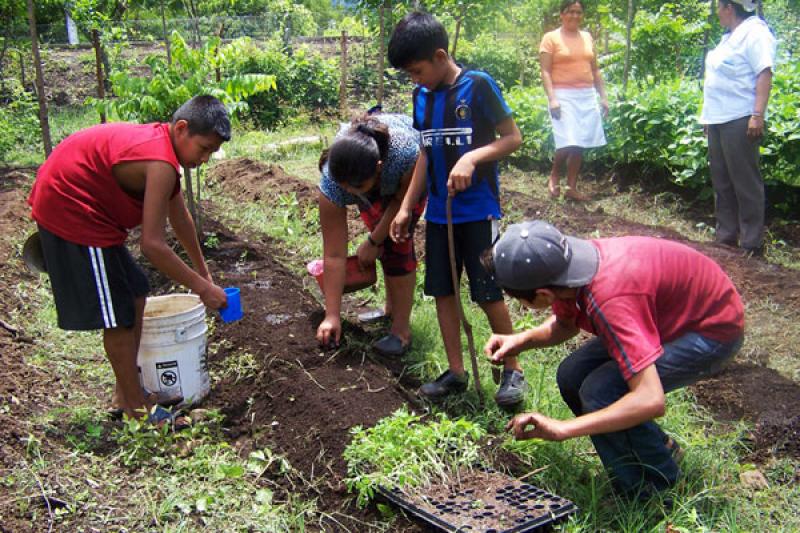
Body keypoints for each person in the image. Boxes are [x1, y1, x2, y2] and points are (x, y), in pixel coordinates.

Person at [482, 220, 744, 498]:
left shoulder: (610, 299)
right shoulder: (568, 271)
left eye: (518, 299)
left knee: (601, 391)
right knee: (571, 375)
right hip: (666, 315)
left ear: (543, 294)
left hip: (711, 330)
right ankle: (656, 449)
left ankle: (653, 491)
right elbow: (565, 325)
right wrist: (519, 341)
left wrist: (563, 429)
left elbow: (650, 399)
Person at [27, 95, 230, 427]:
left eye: (212, 153)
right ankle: (136, 411)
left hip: (90, 214)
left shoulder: (164, 152)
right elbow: (152, 245)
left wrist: (205, 275)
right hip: (71, 209)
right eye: (204, 148)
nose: (205, 159)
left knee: (136, 290)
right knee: (119, 314)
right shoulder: (161, 162)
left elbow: (181, 221)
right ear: (181, 129)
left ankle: (127, 393)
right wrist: (202, 290)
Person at [387, 12, 528, 408]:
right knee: (443, 292)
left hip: (478, 211)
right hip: (437, 216)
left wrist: (472, 158)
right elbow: (424, 154)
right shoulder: (422, 97)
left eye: (417, 71)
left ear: (440, 55)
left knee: (487, 293)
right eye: (409, 75)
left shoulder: (477, 86)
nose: (415, 80)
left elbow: (512, 137)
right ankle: (456, 372)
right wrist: (405, 208)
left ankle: (512, 369)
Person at [316, 112, 425, 356]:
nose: (350, 193)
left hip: (413, 178)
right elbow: (334, 254)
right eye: (345, 188)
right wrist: (332, 315)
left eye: (357, 188)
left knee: (397, 244)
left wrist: (374, 240)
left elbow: (401, 200)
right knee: (382, 242)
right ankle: (389, 310)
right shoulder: (332, 181)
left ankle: (401, 332)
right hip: (376, 177)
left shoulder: (404, 154)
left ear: (378, 169)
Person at [701, 0, 776, 257]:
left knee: (745, 180)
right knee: (721, 179)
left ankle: (752, 243)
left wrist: (757, 114)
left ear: (729, 8)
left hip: (740, 117)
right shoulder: (729, 37)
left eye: (718, 8)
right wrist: (708, 119)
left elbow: (764, 73)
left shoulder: (755, 33)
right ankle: (726, 236)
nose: (717, 13)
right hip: (718, 118)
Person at [539, 0, 608, 201]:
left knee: (580, 142)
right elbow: (545, 71)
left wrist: (603, 96)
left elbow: (595, 69)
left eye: (578, 12)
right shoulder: (551, 38)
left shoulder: (587, 37)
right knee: (567, 139)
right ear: (562, 14)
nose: (575, 16)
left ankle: (571, 187)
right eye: (570, 12)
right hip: (562, 95)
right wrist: (552, 98)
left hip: (586, 95)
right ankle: (554, 175)